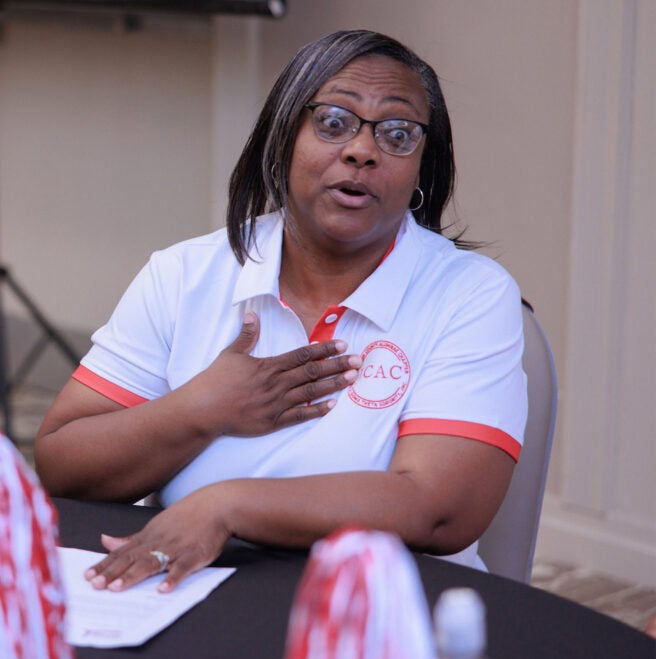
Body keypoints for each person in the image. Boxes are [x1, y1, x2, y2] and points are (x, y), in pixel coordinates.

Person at [34, 30, 527, 592]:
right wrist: (201, 408)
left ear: (420, 168)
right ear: (282, 138)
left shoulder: (472, 294)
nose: (362, 150)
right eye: (334, 122)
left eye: (397, 134)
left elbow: (439, 507)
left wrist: (227, 506)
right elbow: (62, 465)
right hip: (192, 593)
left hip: (386, 613)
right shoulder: (184, 274)